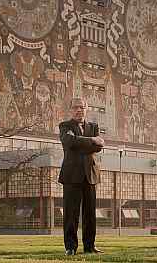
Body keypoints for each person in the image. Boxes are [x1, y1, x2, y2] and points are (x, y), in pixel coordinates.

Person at [58, 97, 104, 256]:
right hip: (71, 175)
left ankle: (89, 246)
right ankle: (70, 247)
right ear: (71, 109)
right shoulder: (65, 126)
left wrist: (79, 143)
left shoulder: (94, 126)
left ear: (86, 109)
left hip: (90, 175)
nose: (79, 110)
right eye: (75, 107)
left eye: (82, 107)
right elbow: (69, 142)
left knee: (90, 213)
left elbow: (98, 148)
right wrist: (91, 140)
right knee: (71, 213)